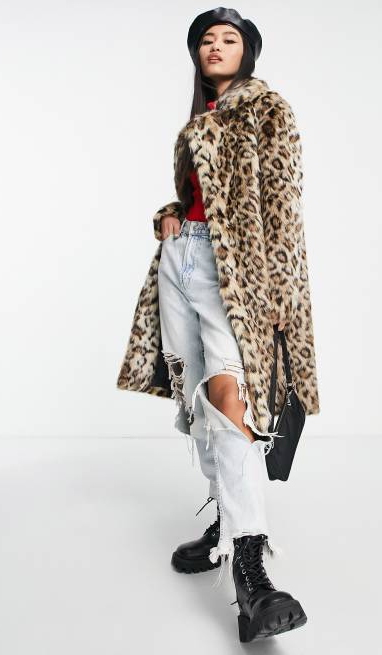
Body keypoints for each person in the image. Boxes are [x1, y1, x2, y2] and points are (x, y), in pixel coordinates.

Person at [116, 7, 320, 642]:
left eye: (229, 39)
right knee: (196, 400)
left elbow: (282, 208)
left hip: (236, 275)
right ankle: (226, 522)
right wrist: (171, 215)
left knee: (231, 398)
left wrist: (280, 298)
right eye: (207, 39)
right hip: (180, 262)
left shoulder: (268, 110)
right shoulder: (197, 121)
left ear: (248, 52)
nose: (216, 47)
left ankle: (252, 574)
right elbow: (198, 200)